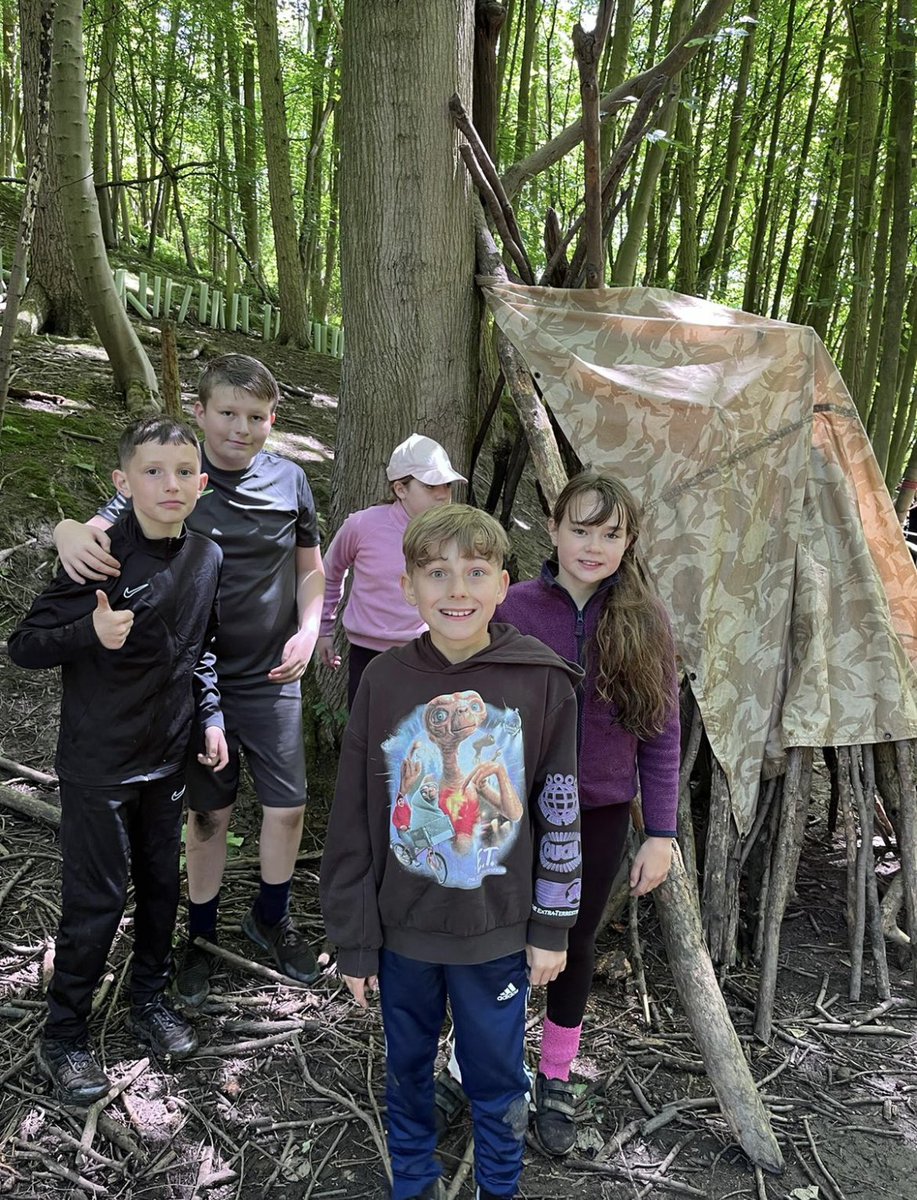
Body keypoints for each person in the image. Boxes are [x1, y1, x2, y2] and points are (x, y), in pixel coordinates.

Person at [320, 504, 583, 1200]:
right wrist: (353, 937)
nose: (456, 589)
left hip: (493, 933)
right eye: (437, 573)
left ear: (504, 585)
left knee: (496, 1075)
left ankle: (498, 1187)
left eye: (474, 571)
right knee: (405, 1067)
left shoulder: (542, 681)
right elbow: (352, 815)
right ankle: (413, 1180)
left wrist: (551, 924)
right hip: (402, 930)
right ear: (408, 587)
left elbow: (560, 810)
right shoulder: (384, 681)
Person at [51, 354, 325, 1005]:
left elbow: (311, 569)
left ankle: (270, 915)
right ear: (199, 414)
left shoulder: (290, 479)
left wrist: (310, 630)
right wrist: (64, 531)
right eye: (226, 413)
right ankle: (199, 935)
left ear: (271, 420)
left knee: (287, 806)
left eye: (254, 417)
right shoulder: (176, 476)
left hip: (272, 674)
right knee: (208, 814)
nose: (240, 427)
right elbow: (93, 525)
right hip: (190, 681)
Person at [8, 417, 229, 1105]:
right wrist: (90, 632)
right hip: (98, 764)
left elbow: (204, 648)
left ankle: (149, 1002)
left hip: (165, 761)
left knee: (164, 888)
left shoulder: (207, 557)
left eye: (183, 471)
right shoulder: (98, 557)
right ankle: (65, 1035)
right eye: (153, 471)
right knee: (96, 902)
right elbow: (25, 644)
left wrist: (212, 714)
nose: (170, 484)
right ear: (123, 481)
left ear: (202, 481)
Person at [495, 469, 680, 1155]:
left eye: (610, 533)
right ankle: (486, 1067)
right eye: (580, 529)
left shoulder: (643, 618)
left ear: (628, 541)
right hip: (512, 809)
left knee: (571, 945)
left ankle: (555, 1074)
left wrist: (659, 833)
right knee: (499, 941)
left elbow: (661, 735)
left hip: (598, 814)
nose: (592, 545)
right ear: (552, 529)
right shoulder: (512, 607)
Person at [316, 433, 466, 706]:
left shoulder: (454, 536)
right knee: (367, 738)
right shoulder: (362, 526)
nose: (443, 493)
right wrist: (324, 629)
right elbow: (329, 572)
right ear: (400, 489)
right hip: (366, 656)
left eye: (446, 484)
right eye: (431, 485)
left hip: (428, 655)